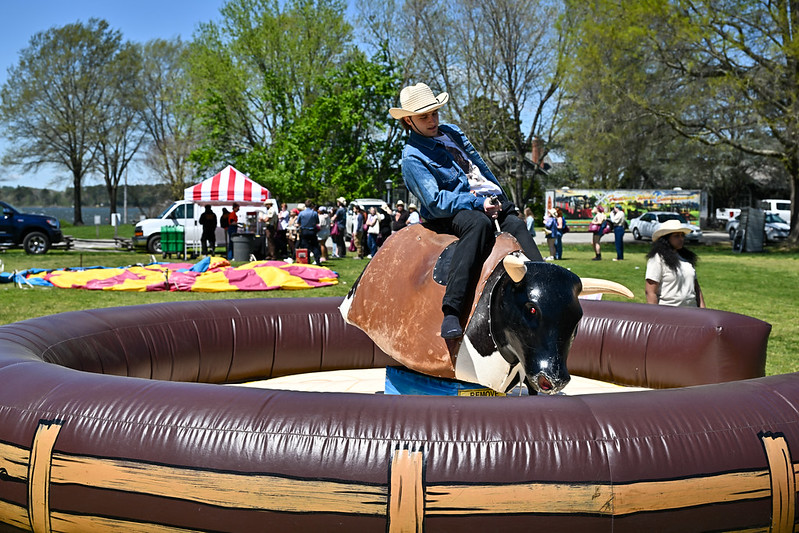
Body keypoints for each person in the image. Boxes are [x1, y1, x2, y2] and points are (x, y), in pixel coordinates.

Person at [389, 82, 543, 339]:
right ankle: (452, 310)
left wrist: (495, 198)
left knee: (515, 224)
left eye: (435, 113)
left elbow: (477, 169)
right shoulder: (412, 157)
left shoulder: (452, 132)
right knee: (477, 225)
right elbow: (436, 201)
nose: (432, 120)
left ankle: (544, 284)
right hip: (451, 212)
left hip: (485, 198)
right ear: (408, 121)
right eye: (424, 116)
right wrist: (476, 203)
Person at [645, 219, 705, 308]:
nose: (681, 239)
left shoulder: (686, 258)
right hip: (668, 313)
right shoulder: (657, 259)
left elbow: (696, 288)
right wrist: (655, 316)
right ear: (666, 238)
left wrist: (703, 311)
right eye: (676, 236)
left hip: (692, 312)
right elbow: (650, 292)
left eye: (682, 235)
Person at [297, 199, 322, 265]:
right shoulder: (314, 213)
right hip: (312, 231)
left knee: (305, 246)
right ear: (311, 205)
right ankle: (317, 260)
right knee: (315, 246)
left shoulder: (301, 213)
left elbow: (298, 222)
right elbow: (317, 222)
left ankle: (306, 260)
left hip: (304, 231)